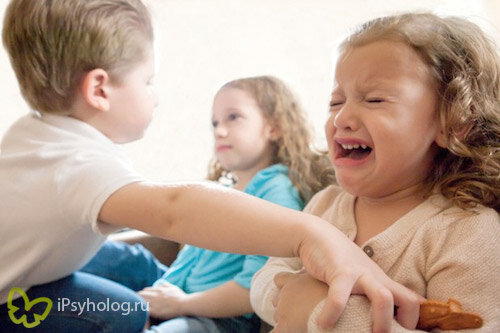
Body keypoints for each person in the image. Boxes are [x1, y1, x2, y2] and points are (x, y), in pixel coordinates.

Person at [0, 1, 422, 332]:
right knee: (122, 314)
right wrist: (311, 233)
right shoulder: (78, 163)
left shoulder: (33, 136)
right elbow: (175, 208)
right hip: (11, 299)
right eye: (147, 81)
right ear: (99, 89)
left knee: (120, 265)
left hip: (28, 281)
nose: (156, 96)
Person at [250, 12, 500, 332]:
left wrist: (324, 312)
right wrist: (289, 295)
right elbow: (265, 277)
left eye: (374, 99)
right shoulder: (325, 204)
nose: (342, 119)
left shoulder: (466, 230)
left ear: (454, 121)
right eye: (336, 101)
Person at [133, 75, 335, 332]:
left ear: (273, 128)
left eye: (233, 117)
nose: (219, 130)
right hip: (181, 298)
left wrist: (181, 304)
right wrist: (155, 301)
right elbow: (187, 264)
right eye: (215, 122)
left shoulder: (276, 192)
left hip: (221, 320)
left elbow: (254, 285)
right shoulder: (225, 191)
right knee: (125, 259)